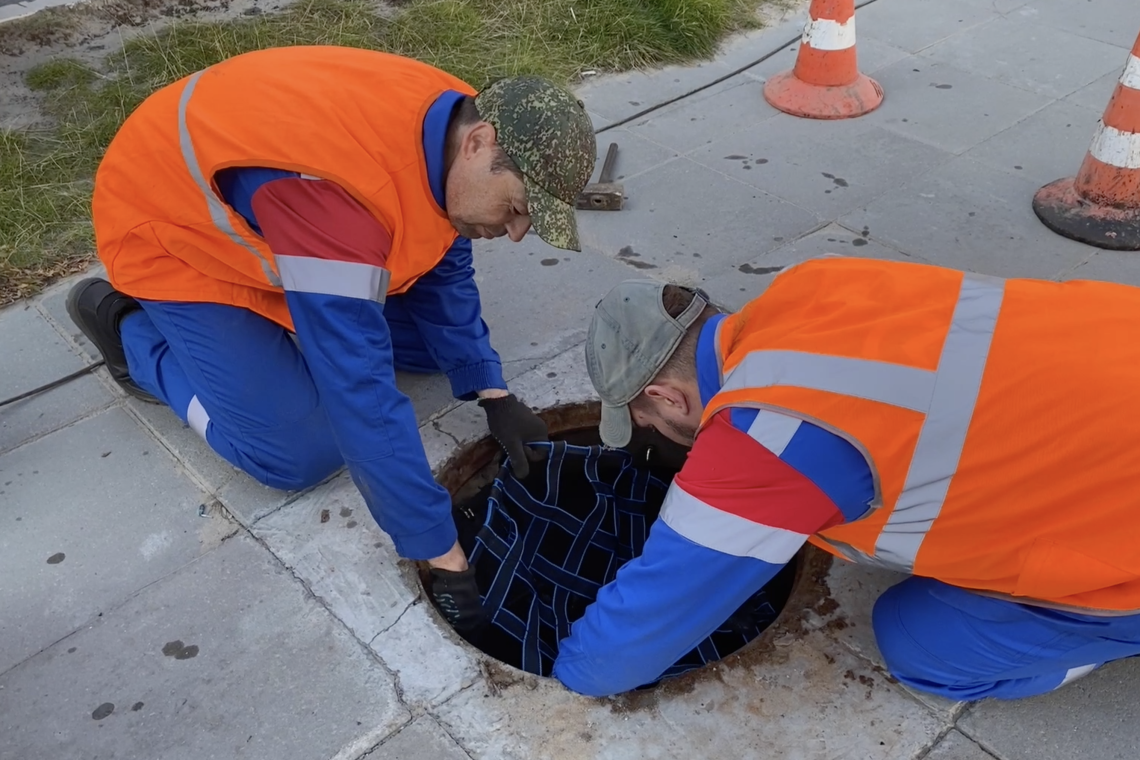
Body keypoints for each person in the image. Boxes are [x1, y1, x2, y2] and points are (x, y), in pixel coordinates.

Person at [65, 46, 596, 630]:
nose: (516, 233)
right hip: (177, 236)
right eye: (518, 208)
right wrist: (437, 549)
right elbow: (358, 388)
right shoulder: (335, 195)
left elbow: (444, 263)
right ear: (480, 145)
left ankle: (268, 340)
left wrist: (489, 387)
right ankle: (134, 335)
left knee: (427, 351)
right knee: (296, 453)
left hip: (289, 227)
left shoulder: (459, 120)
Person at [554, 255, 1140, 700]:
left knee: (920, 644)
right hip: (1117, 351)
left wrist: (565, 684)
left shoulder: (768, 439)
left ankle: (1107, 636)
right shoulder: (813, 284)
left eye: (646, 421)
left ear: (667, 398)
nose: (654, 435)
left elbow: (628, 645)